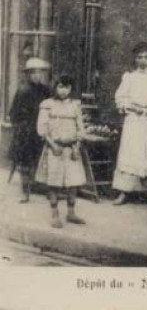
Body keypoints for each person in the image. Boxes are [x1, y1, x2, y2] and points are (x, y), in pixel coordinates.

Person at [111, 43, 147, 205]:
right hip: (134, 119)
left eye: (146, 57)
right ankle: (124, 191)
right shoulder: (130, 77)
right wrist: (132, 106)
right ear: (135, 59)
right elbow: (120, 97)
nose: (143, 60)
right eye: (139, 57)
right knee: (130, 151)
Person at [35, 75, 87, 228]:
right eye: (60, 86)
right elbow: (42, 129)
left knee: (73, 182)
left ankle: (71, 213)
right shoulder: (47, 105)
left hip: (71, 149)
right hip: (54, 149)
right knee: (54, 182)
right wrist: (53, 145)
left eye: (67, 87)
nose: (63, 90)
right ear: (55, 88)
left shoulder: (75, 106)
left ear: (71, 89)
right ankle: (54, 214)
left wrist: (77, 146)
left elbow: (80, 129)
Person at [8, 57, 51, 203]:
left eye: (39, 73)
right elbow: (13, 114)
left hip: (41, 130)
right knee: (25, 163)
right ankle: (25, 192)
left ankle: (42, 188)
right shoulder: (23, 91)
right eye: (33, 73)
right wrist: (21, 128)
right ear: (28, 75)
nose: (37, 76)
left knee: (43, 160)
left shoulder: (46, 90)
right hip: (26, 132)